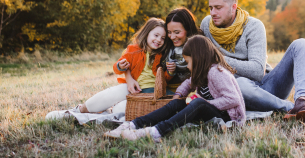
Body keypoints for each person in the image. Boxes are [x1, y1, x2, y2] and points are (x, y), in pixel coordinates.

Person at [201, 0, 305, 122]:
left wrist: (219, 60)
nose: (213, 12)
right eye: (210, 8)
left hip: (268, 86)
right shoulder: (207, 25)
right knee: (240, 84)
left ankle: (302, 101)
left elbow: (257, 72)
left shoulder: (253, 26)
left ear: (233, 7)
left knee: (301, 44)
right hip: (236, 92)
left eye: (218, 8)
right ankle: (294, 108)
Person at [104, 35, 245, 141]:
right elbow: (189, 83)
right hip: (210, 110)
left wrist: (206, 103)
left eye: (189, 62)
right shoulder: (202, 71)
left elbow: (233, 99)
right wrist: (178, 95)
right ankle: (133, 124)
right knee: (178, 102)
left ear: (199, 59)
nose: (188, 66)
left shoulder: (217, 72)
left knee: (198, 103)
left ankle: (156, 132)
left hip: (226, 117)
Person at [77, 18, 167, 114]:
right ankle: (82, 109)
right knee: (110, 94)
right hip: (131, 87)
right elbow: (116, 68)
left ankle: (112, 110)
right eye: (156, 35)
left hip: (150, 93)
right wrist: (120, 65)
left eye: (163, 38)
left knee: (118, 110)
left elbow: (166, 77)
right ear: (147, 33)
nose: (158, 40)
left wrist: (170, 71)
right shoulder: (133, 49)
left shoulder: (162, 55)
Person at [158, 7, 202, 94]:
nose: (172, 37)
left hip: (192, 92)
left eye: (177, 32)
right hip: (166, 91)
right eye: (169, 32)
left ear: (188, 29)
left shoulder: (200, 46)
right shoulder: (163, 44)